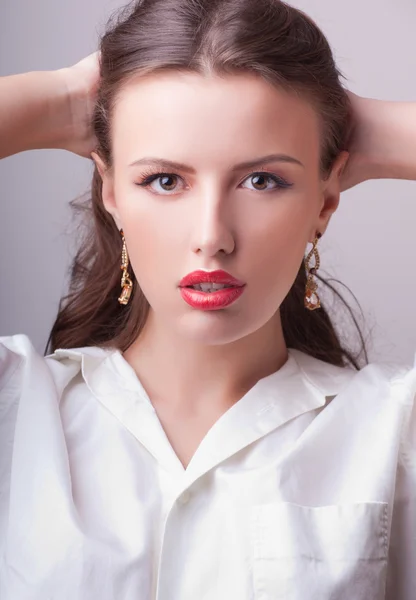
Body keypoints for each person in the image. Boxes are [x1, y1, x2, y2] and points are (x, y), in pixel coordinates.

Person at [0, 0, 415, 598]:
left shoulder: (394, 432)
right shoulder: (19, 410)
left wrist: (372, 131)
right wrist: (60, 101)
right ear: (110, 189)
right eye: (164, 180)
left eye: (262, 180)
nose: (211, 237)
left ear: (325, 200)